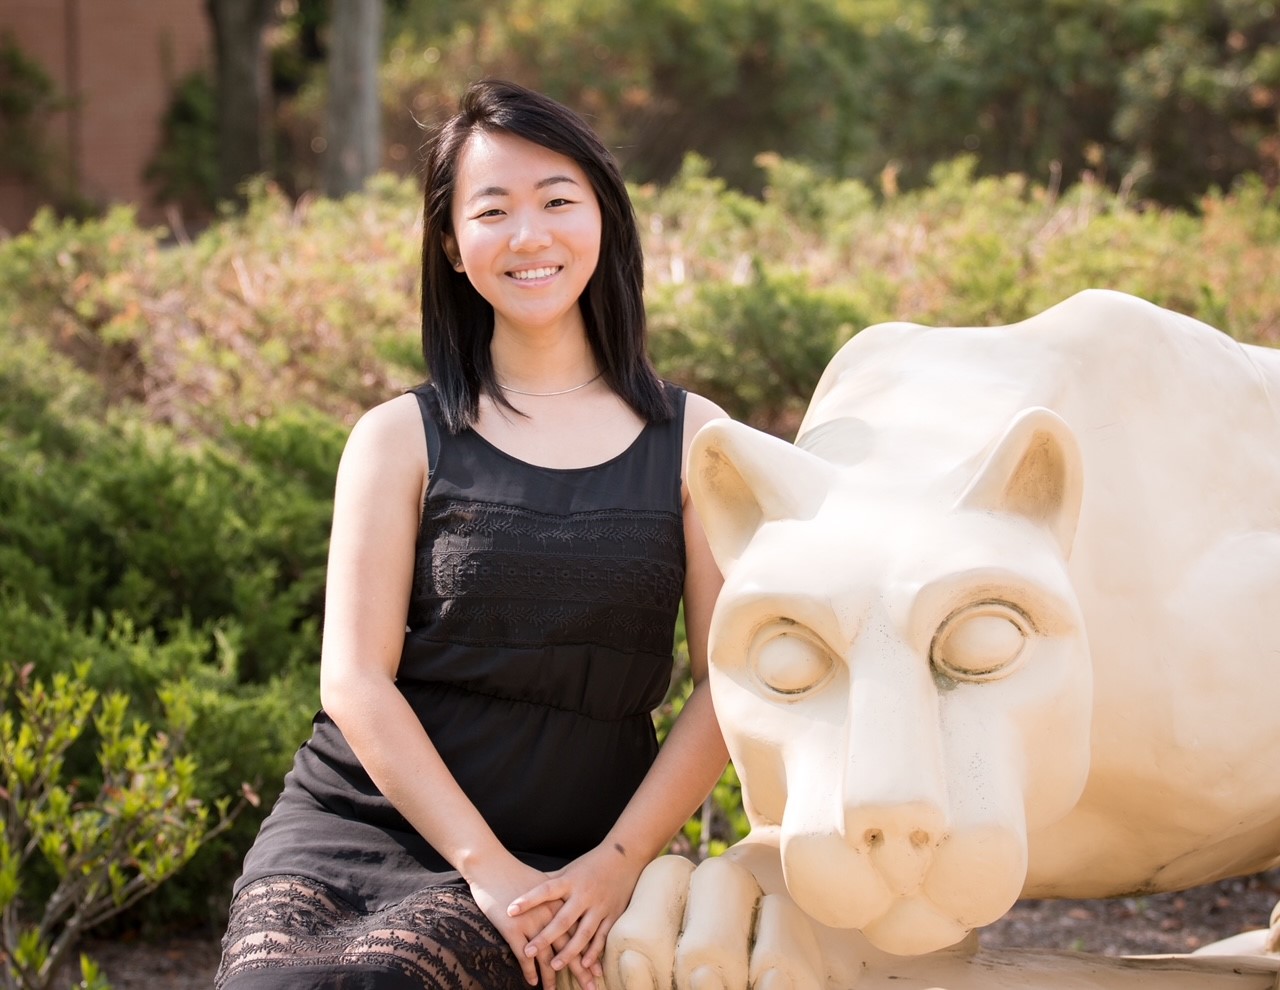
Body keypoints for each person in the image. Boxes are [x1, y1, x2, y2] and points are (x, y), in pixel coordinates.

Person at [215, 78, 729, 990]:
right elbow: (354, 680)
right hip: (354, 827)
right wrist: (482, 868)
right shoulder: (397, 438)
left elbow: (727, 684)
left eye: (556, 201)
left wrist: (617, 864)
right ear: (452, 246)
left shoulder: (696, 442)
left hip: (574, 851)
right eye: (491, 211)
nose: (528, 236)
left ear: (604, 217)